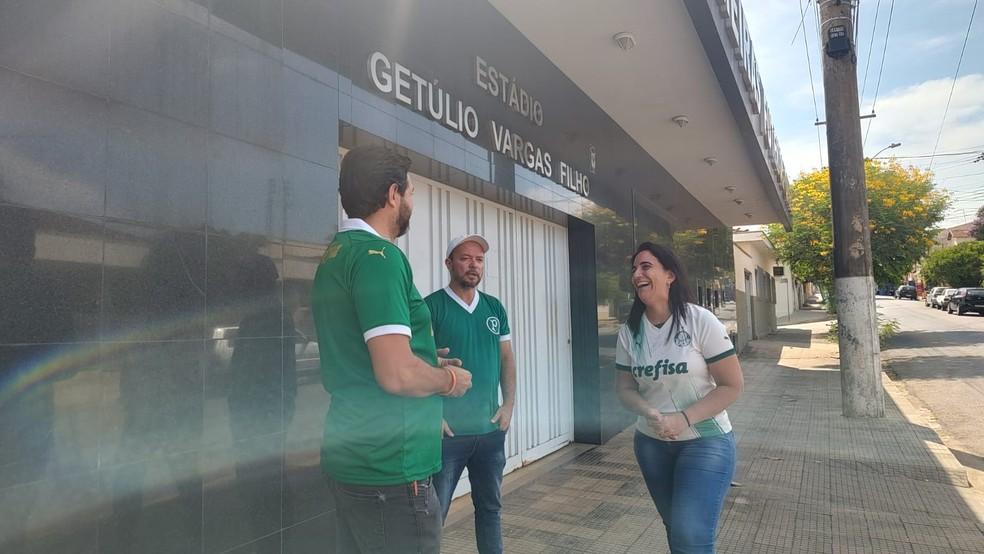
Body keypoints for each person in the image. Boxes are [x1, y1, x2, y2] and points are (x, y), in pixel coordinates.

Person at [311, 145, 473, 553]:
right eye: (412, 192)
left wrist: (423, 357)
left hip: (352, 458)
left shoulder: (336, 255)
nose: (413, 203)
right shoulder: (380, 258)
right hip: (390, 468)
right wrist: (449, 380)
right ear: (392, 195)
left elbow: (363, 349)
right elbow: (396, 373)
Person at [615, 242, 743, 554]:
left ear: (669, 275)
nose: (637, 274)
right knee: (675, 529)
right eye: (634, 269)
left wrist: (683, 419)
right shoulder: (629, 332)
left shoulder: (700, 320)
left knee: (690, 533)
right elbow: (625, 389)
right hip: (651, 444)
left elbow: (731, 385)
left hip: (705, 440)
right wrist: (647, 410)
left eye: (646, 266)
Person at [426, 235, 515, 554]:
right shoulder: (431, 306)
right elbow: (418, 364)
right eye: (465, 258)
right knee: (433, 518)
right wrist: (432, 413)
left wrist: (508, 405)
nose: (473, 264)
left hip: (490, 432)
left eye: (478, 259)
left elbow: (507, 358)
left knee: (490, 511)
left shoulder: (494, 307)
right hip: (448, 435)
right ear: (449, 263)